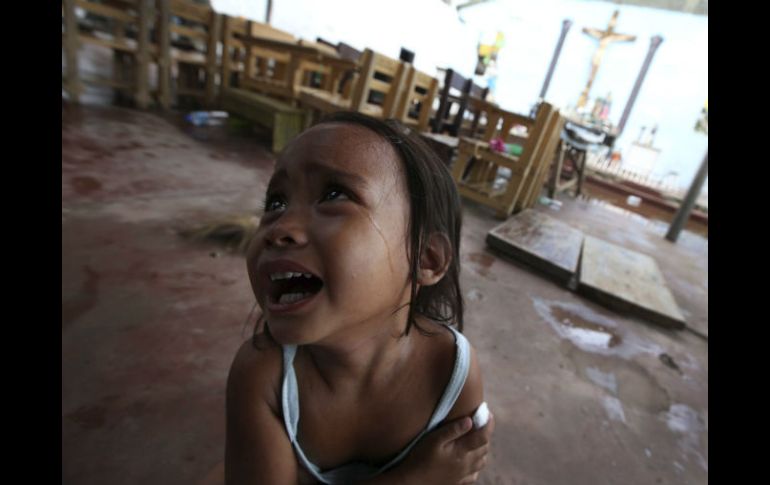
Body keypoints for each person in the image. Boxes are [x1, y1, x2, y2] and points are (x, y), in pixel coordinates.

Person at [226, 111, 494, 484]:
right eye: (275, 202)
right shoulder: (264, 376)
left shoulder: (450, 374)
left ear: (425, 259)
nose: (279, 229)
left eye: (334, 194)